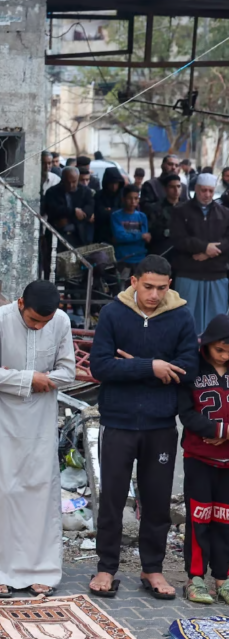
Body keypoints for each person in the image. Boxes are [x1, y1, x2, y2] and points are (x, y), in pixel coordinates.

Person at [88, 255, 198, 599]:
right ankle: (106, 567)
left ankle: (153, 569)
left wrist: (133, 365)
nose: (154, 294)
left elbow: (188, 371)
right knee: (113, 498)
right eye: (148, 286)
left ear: (170, 286)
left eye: (161, 288)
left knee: (156, 501)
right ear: (133, 281)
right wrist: (151, 367)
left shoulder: (180, 316)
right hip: (118, 421)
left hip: (161, 424)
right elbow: (100, 367)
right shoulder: (113, 313)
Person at [0, 281, 76, 597]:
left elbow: (67, 372)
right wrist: (30, 379)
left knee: (38, 491)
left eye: (44, 322)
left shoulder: (61, 322)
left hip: (41, 421)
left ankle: (40, 570)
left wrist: (39, 379)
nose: (39, 326)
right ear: (20, 304)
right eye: (33, 320)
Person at [177, 314, 229, 605]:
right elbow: (186, 413)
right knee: (200, 517)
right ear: (207, 345)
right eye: (219, 350)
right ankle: (195, 577)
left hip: (228, 461)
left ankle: (223, 577)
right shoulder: (192, 371)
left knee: (225, 518)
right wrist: (215, 430)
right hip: (199, 457)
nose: (224, 356)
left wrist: (226, 432)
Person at [169, 172, 229, 336]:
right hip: (189, 274)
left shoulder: (225, 213)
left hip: (216, 275)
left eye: (210, 191)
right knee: (187, 324)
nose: (207, 194)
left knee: (217, 326)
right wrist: (204, 247)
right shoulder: (181, 211)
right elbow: (178, 240)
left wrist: (208, 253)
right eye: (203, 190)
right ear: (196, 189)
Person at [41, 165, 95, 248]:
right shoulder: (52, 192)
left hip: (79, 235)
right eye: (68, 182)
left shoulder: (85, 191)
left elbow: (88, 211)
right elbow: (53, 210)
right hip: (58, 235)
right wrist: (74, 212)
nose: (71, 185)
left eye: (74, 182)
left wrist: (70, 217)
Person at [111, 185, 150, 276]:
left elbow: (146, 238)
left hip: (140, 259)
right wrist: (140, 236)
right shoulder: (116, 216)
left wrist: (130, 236)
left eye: (136, 198)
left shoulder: (142, 216)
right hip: (123, 259)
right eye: (130, 198)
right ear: (123, 199)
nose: (133, 202)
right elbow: (120, 236)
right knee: (124, 288)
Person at [145, 172, 186, 259]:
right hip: (162, 252)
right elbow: (153, 232)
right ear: (165, 189)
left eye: (178, 186)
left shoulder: (187, 208)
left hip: (182, 254)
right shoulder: (155, 209)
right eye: (172, 187)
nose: (176, 190)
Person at [92, 167, 126, 247]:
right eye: (111, 183)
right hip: (103, 235)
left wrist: (110, 211)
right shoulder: (99, 196)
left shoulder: (124, 195)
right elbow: (99, 214)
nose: (114, 186)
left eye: (116, 183)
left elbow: (126, 213)